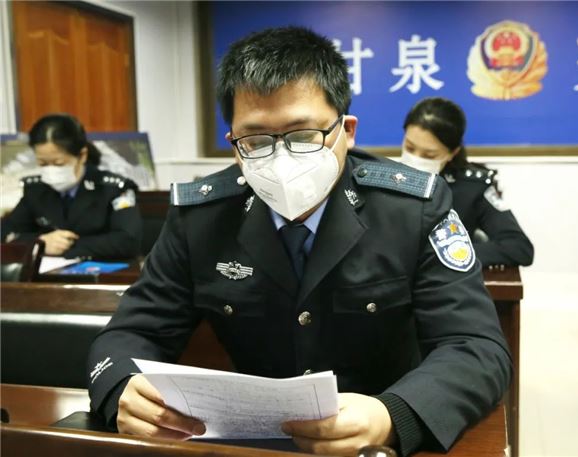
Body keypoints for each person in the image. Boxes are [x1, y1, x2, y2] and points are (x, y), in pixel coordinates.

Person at [87, 27, 511, 456]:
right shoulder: (202, 217)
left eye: (304, 135)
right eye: (256, 140)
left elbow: (476, 348)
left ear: (346, 131)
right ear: (234, 144)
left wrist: (392, 415)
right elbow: (130, 333)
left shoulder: (412, 208)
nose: (281, 158)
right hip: (254, 445)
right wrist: (122, 387)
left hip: (377, 444)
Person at [400, 97, 534, 267]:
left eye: (429, 155)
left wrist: (449, 254)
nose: (415, 159)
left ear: (452, 153)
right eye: (410, 148)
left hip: (442, 278)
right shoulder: (383, 176)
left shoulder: (473, 187)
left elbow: (519, 248)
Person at [1, 114, 142, 260]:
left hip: (101, 269)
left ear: (82, 155)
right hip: (48, 271)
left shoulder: (114, 188)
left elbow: (128, 241)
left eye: (58, 163)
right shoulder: (36, 189)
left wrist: (67, 245)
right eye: (43, 163)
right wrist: (40, 242)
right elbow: (6, 233)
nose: (50, 170)